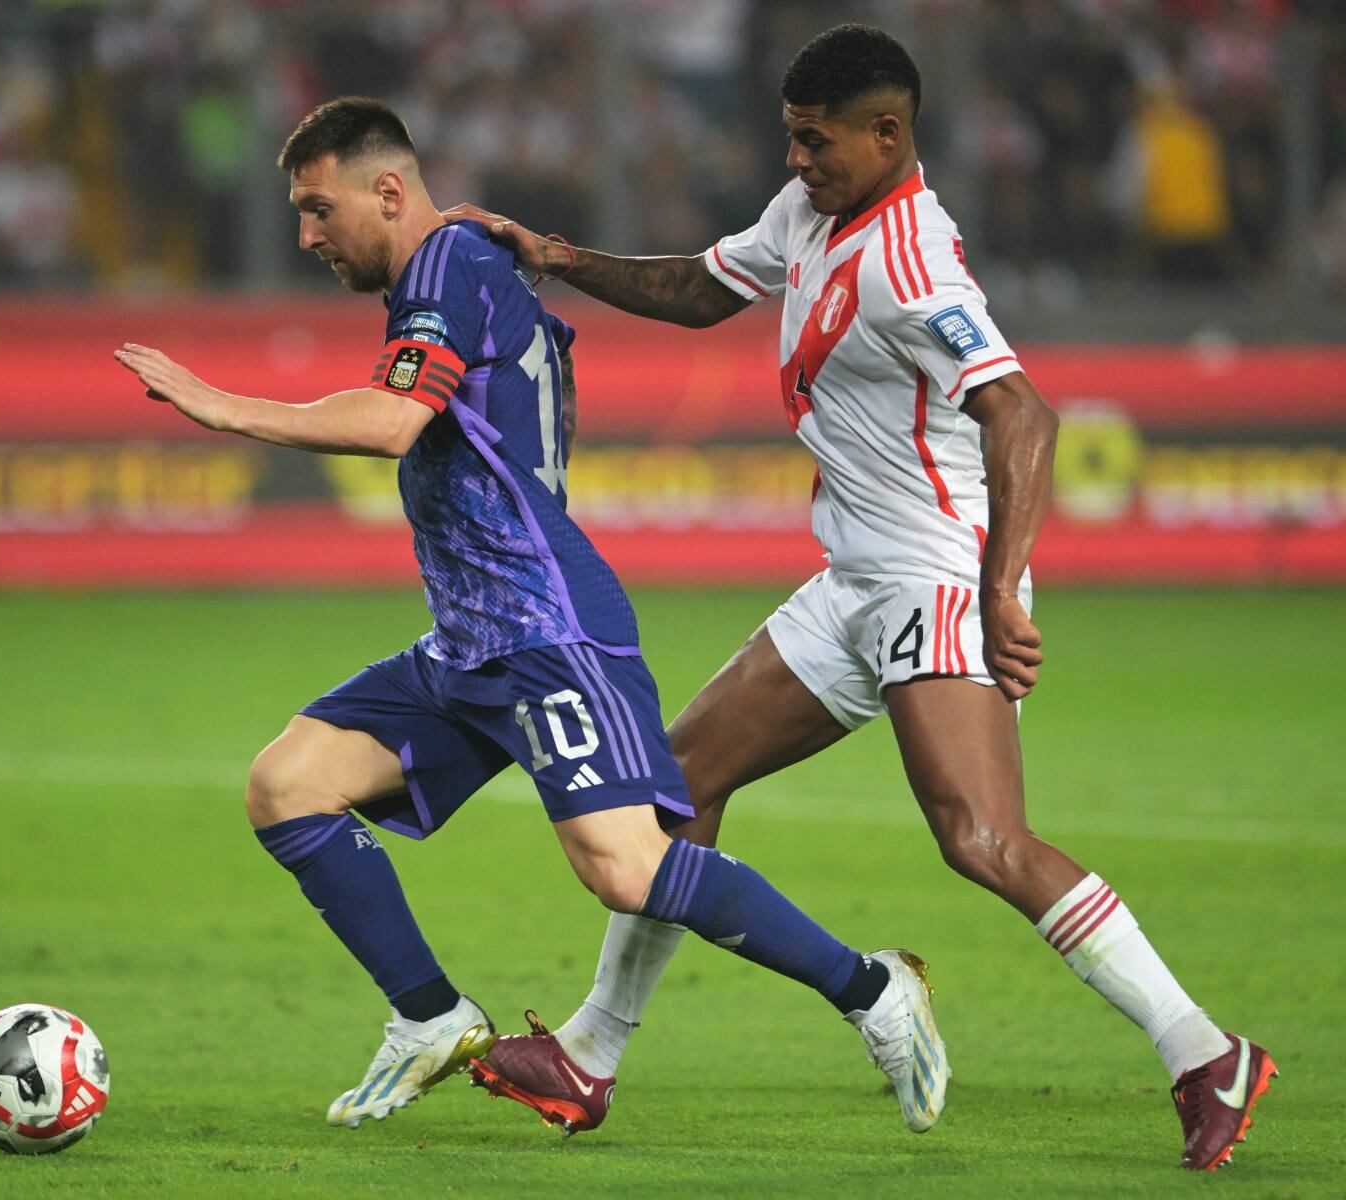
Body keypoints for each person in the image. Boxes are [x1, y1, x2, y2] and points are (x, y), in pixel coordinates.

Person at [445, 24, 1274, 1171]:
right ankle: (590, 1054)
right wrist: (554, 254)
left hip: (936, 574)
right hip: (856, 581)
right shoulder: (813, 217)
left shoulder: (913, 261)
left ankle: (1202, 1051)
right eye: (790, 138)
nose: (795, 161)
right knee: (675, 787)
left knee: (979, 839)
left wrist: (999, 597)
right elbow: (698, 289)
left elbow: (1023, 416)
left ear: (887, 133)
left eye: (814, 141)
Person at [114, 95, 948, 1134]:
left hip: (547, 627)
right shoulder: (441, 278)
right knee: (289, 785)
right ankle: (428, 1016)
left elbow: (389, 422)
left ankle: (870, 990)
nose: (306, 236)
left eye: (319, 209)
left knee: (626, 869)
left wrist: (217, 402)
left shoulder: (450, 266)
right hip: (469, 639)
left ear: (388, 190)